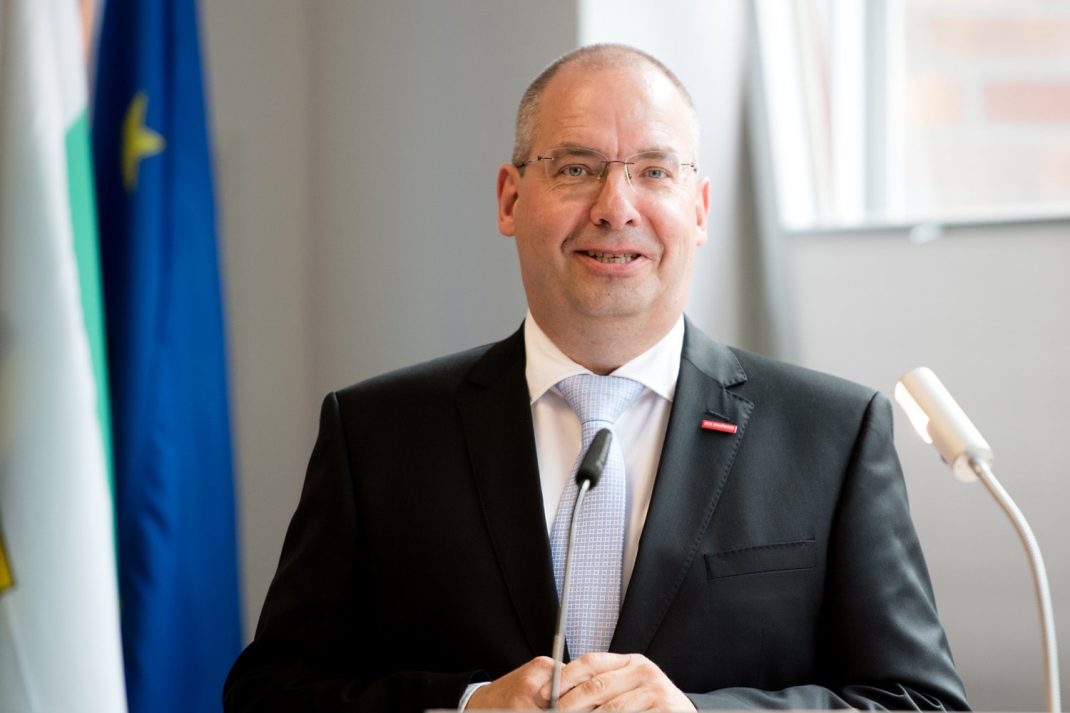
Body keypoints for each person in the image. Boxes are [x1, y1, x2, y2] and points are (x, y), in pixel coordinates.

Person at [223, 44, 969, 712]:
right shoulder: (376, 434)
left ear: (699, 209)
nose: (616, 208)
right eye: (576, 168)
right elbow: (269, 697)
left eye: (655, 171)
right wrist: (465, 707)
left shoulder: (832, 436)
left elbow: (921, 703)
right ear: (510, 199)